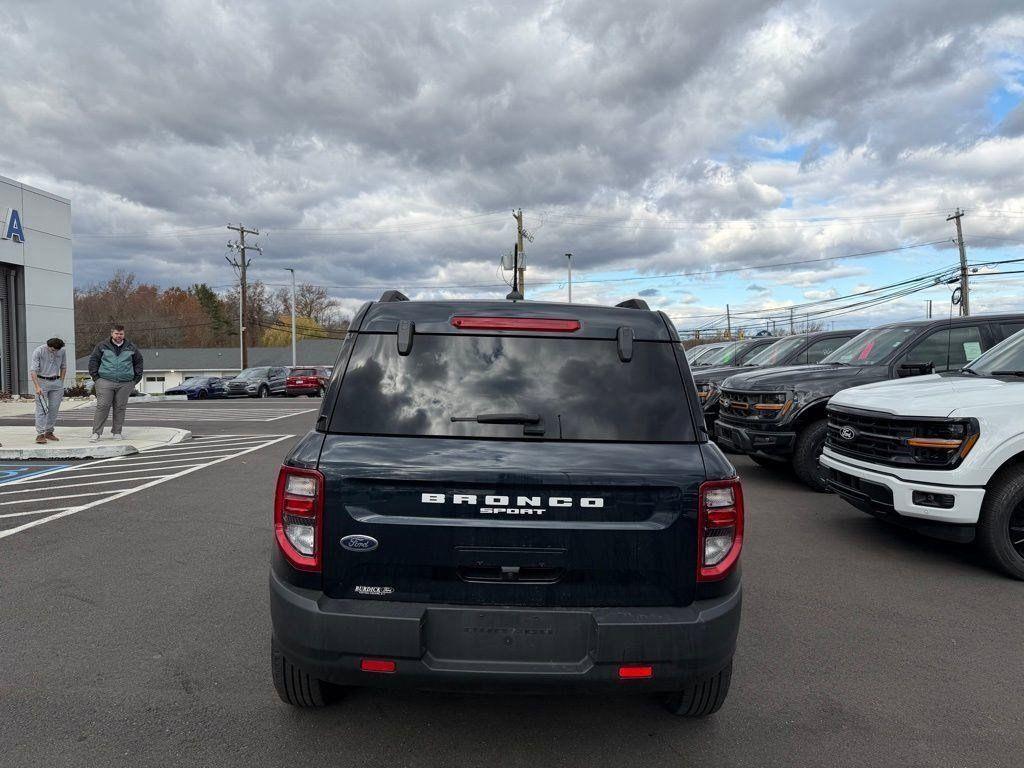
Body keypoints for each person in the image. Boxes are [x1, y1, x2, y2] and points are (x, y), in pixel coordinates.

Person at [88, 324, 144, 441]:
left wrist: (134, 380)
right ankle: (96, 433)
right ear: (112, 333)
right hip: (105, 381)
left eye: (121, 334)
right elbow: (94, 360)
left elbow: (139, 362)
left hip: (125, 383)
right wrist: (96, 378)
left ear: (124, 334)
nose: (119, 336)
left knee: (120, 407)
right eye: (117, 333)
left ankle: (117, 432)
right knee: (102, 406)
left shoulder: (131, 347)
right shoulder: (102, 346)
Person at [29, 337, 67, 445]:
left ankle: (49, 432)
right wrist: (37, 386)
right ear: (49, 346)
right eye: (53, 350)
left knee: (54, 409)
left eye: (57, 350)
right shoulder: (39, 351)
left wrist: (61, 381)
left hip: (56, 382)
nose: (55, 352)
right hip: (42, 382)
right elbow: (33, 370)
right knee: (41, 409)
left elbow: (64, 367)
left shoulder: (62, 351)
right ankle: (40, 434)